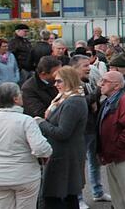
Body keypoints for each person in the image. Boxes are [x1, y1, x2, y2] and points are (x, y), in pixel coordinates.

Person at [0, 82, 53, 209]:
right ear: (15, 99)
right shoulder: (26, 121)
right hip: (25, 175)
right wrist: (47, 152)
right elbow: (41, 149)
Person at [36, 66, 88, 209]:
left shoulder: (72, 102)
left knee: (56, 197)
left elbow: (62, 133)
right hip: (65, 154)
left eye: (59, 81)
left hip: (65, 156)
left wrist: (41, 123)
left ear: (69, 80)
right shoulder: (65, 99)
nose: (55, 84)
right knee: (68, 195)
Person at [97, 70, 125, 209]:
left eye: (105, 81)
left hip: (123, 156)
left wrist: (114, 148)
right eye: (101, 80)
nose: (101, 84)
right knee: (117, 195)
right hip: (112, 156)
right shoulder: (108, 101)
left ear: (116, 86)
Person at [70, 55, 111, 206]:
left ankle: (98, 192)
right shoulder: (71, 85)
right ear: (74, 68)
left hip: (92, 127)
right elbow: (82, 102)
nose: (89, 68)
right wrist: (98, 91)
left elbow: (92, 102)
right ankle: (79, 198)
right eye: (85, 66)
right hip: (81, 130)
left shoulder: (86, 81)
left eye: (89, 64)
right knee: (79, 165)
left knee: (95, 162)